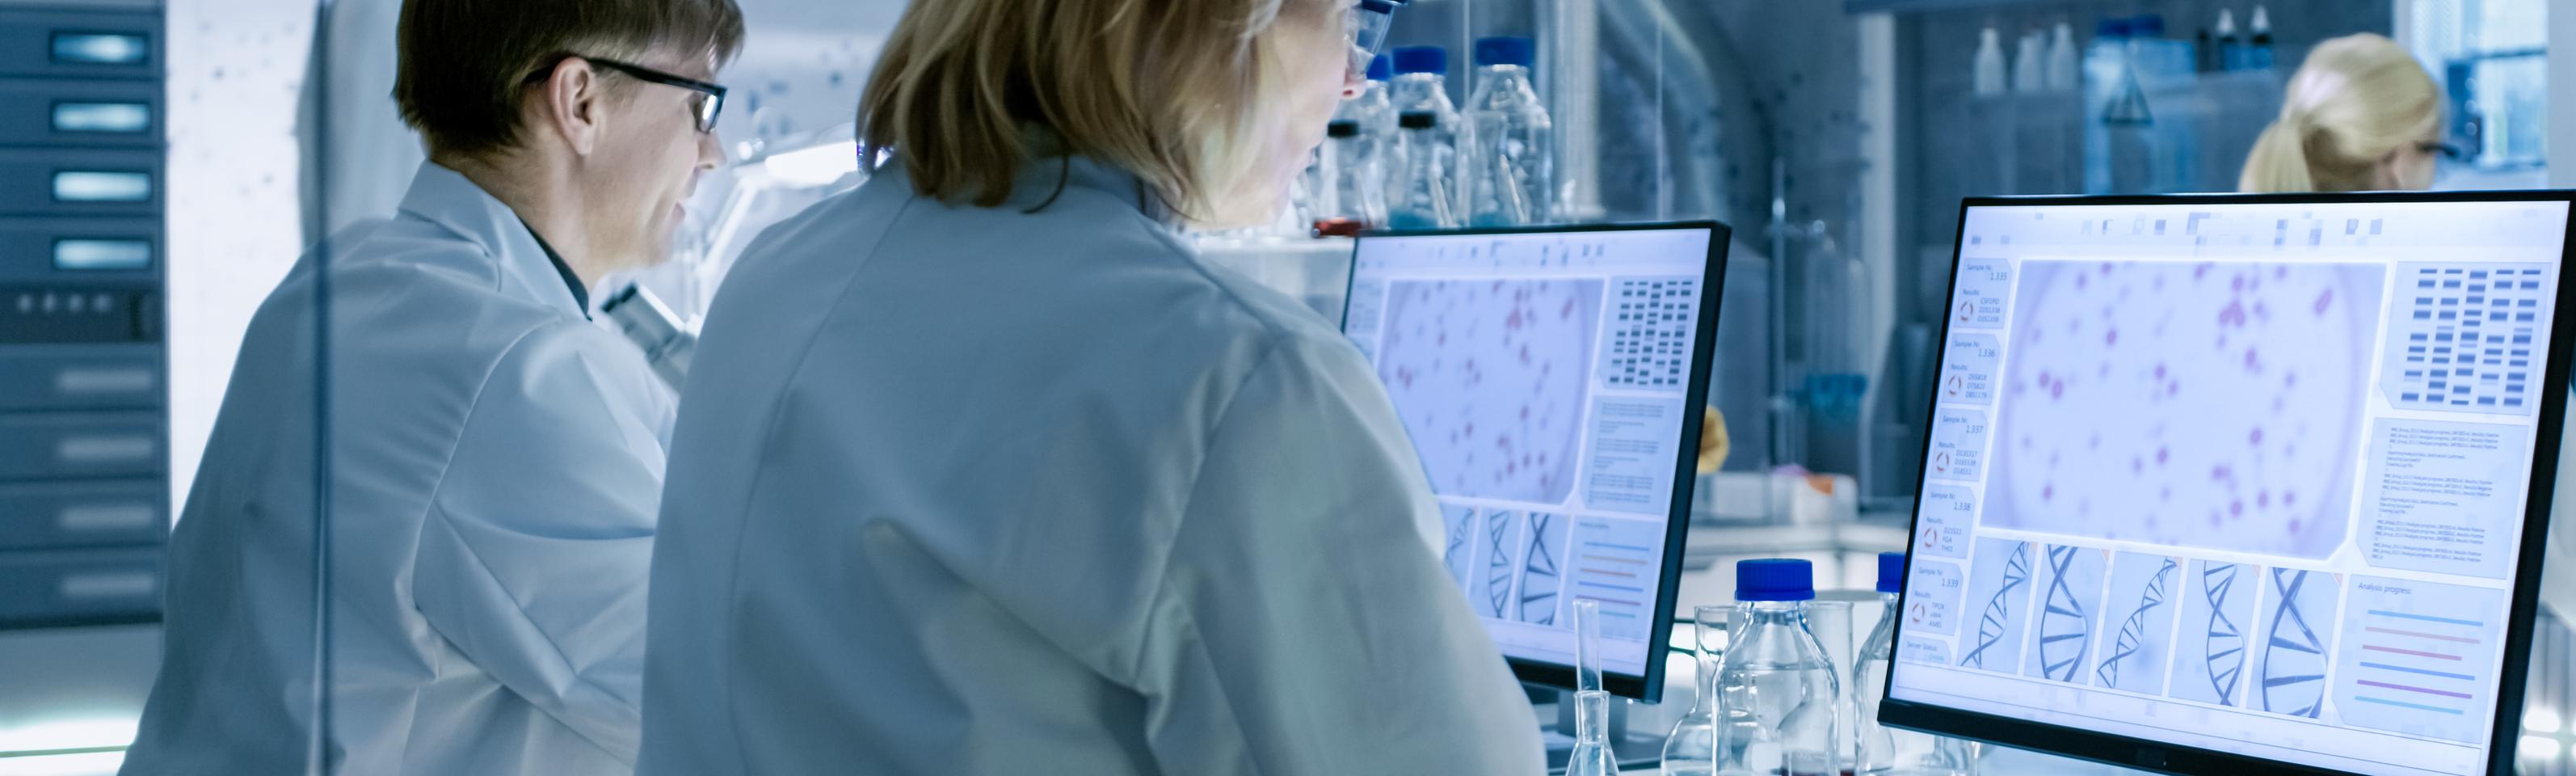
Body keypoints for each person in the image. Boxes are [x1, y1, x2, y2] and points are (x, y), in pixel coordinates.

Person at [636, 0, 1542, 773]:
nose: (1354, 79)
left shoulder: (774, 281)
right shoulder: (1234, 380)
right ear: (1224, 21)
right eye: (1350, 20)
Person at [123, 1, 743, 773]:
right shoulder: (512, 365)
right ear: (579, 102)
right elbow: (713, 699)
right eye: (698, 106)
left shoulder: (343, 278)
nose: (712, 153)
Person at [2237, 34, 2576, 662]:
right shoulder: (2465, 313)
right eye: (2437, 150)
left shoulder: (2247, 300)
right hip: (2412, 678)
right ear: (2399, 160)